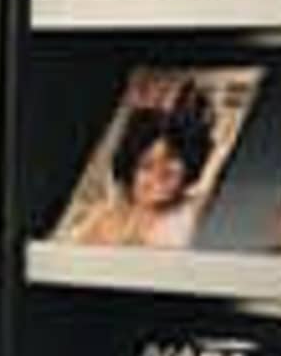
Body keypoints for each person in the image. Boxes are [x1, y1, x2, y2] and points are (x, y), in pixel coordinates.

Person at [60, 96, 215, 248]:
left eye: (171, 161)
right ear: (130, 170)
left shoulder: (191, 213)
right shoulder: (105, 216)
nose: (159, 173)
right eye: (146, 165)